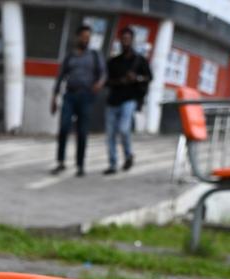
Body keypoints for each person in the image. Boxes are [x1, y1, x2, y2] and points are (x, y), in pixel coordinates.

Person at [50, 25, 105, 178]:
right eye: (83, 37)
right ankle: (60, 162)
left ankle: (80, 165)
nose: (86, 40)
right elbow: (60, 77)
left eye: (88, 37)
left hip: (86, 97)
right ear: (77, 37)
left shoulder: (95, 55)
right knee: (64, 127)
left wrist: (99, 83)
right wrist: (54, 97)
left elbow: (103, 73)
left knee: (82, 132)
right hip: (69, 96)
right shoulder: (69, 57)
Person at [103, 27, 153, 175]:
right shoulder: (113, 62)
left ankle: (128, 154)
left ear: (132, 40)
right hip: (113, 101)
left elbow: (149, 77)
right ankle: (112, 164)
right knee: (110, 134)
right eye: (123, 39)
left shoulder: (140, 60)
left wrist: (136, 78)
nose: (125, 42)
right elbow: (106, 81)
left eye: (128, 39)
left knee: (124, 129)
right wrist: (120, 81)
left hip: (129, 100)